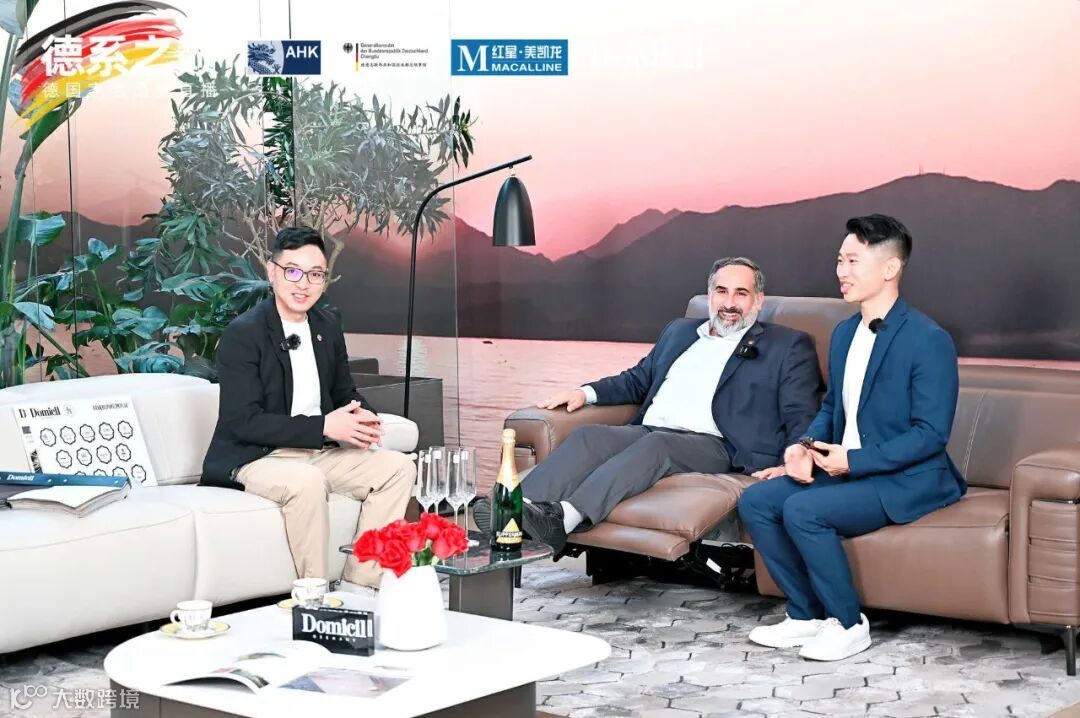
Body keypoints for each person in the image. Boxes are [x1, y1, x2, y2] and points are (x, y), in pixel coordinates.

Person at [476, 257, 822, 553]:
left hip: (718, 445)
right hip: (650, 430)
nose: (729, 303)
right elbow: (638, 379)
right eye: (721, 291)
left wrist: (793, 458)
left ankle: (564, 518)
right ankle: (510, 510)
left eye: (741, 293)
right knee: (591, 436)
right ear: (709, 295)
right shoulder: (680, 332)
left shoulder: (786, 345)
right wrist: (586, 393)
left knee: (658, 445)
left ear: (758, 301)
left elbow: (801, 413)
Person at [738, 214, 966, 661]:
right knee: (757, 501)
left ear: (890, 268)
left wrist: (853, 461)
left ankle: (847, 623)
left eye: (853, 261)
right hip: (849, 470)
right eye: (840, 260)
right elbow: (830, 409)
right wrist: (802, 449)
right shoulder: (843, 333)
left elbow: (930, 435)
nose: (841, 271)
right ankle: (805, 614)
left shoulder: (929, 339)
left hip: (908, 477)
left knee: (803, 510)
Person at [201, 226, 415, 594]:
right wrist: (324, 427)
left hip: (317, 451)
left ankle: (360, 587)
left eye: (315, 274)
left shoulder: (326, 325)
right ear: (272, 272)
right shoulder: (244, 333)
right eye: (293, 271)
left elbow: (343, 391)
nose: (304, 284)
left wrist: (363, 415)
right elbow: (242, 422)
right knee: (307, 482)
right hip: (257, 456)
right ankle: (314, 595)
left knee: (398, 468)